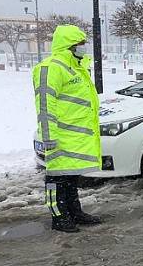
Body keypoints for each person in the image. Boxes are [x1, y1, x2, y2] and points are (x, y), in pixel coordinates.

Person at [32, 25, 102, 233]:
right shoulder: (51, 68)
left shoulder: (76, 67)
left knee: (70, 177)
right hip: (60, 135)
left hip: (75, 136)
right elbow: (45, 106)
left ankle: (74, 211)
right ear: (70, 45)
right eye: (80, 43)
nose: (84, 47)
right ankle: (58, 216)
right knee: (56, 178)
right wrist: (48, 136)